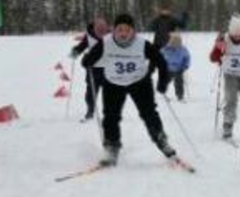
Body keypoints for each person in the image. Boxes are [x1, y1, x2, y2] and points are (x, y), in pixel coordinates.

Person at [80, 14, 176, 166]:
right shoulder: (106, 43)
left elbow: (161, 62)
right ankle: (111, 146)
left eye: (127, 30)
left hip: (139, 81)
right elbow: (91, 58)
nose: (123, 33)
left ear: (133, 31)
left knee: (149, 112)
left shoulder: (142, 44)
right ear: (114, 30)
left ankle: (161, 140)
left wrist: (163, 82)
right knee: (111, 116)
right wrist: (87, 61)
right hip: (113, 83)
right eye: (119, 30)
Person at [209, 15, 240, 141]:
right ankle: (228, 125)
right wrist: (218, 48)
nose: (237, 37)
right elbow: (213, 58)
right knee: (231, 99)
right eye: (234, 34)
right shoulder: (225, 39)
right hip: (230, 75)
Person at [72, 15, 109, 120]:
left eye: (104, 29)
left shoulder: (111, 36)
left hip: (108, 69)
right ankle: (90, 110)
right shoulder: (89, 37)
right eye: (99, 29)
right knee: (91, 92)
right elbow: (81, 46)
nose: (102, 31)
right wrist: (74, 52)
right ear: (94, 28)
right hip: (93, 69)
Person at [158, 31, 192, 102]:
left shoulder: (183, 49)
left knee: (179, 82)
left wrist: (185, 65)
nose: (176, 44)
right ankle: (163, 92)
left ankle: (180, 96)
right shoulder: (166, 49)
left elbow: (187, 58)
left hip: (179, 68)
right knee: (166, 81)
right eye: (174, 42)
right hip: (168, 68)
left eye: (178, 42)